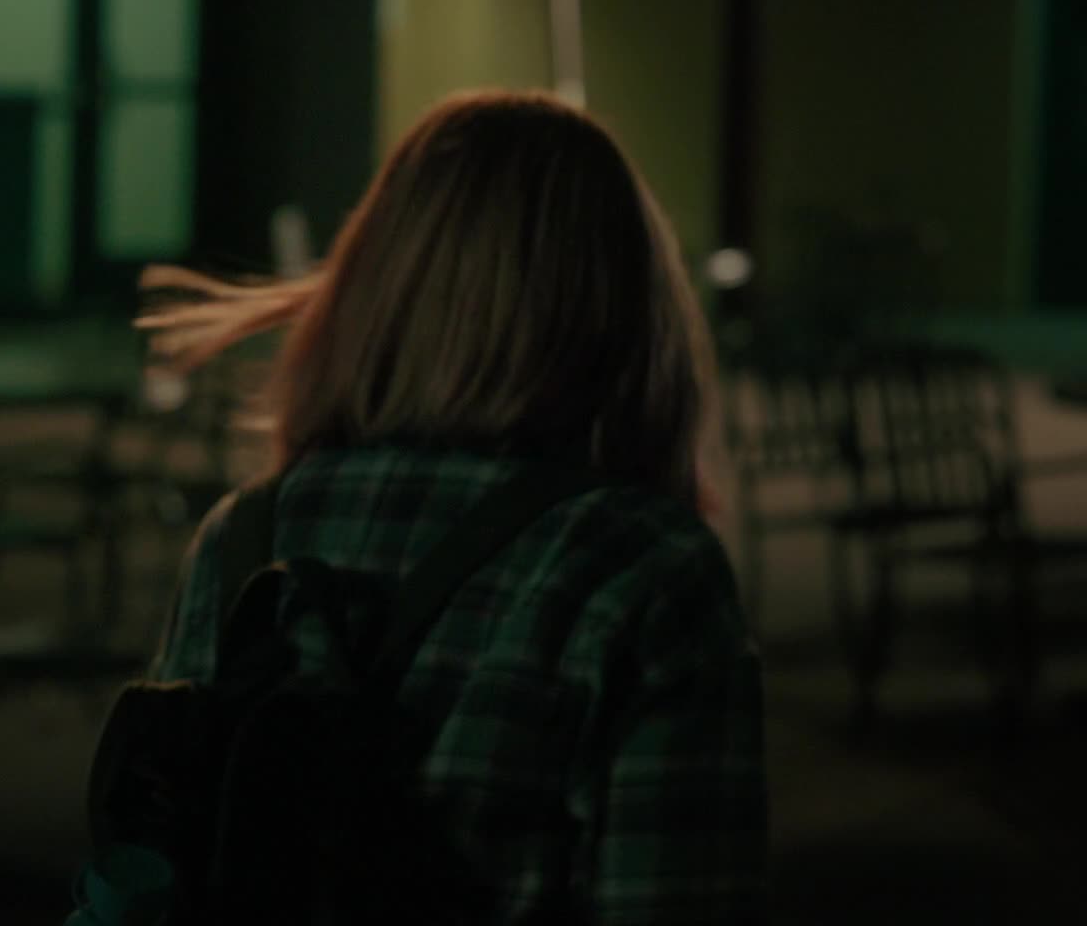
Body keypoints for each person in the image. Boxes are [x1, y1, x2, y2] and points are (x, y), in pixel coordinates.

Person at [134, 90, 765, 923]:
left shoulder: (243, 539)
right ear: (631, 317)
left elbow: (150, 866)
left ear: (374, 293)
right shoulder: (646, 572)